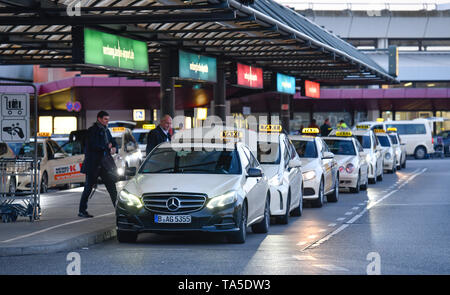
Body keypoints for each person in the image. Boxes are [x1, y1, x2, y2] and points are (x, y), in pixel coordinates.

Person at [78, 111, 118, 218]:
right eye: (105, 119)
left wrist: (114, 148)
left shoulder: (106, 130)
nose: (107, 121)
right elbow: (94, 145)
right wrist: (107, 147)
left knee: (112, 187)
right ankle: (82, 210)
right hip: (93, 164)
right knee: (88, 187)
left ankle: (119, 210)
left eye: (108, 119)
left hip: (105, 164)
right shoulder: (92, 131)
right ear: (99, 119)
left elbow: (113, 142)